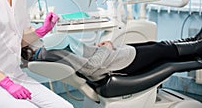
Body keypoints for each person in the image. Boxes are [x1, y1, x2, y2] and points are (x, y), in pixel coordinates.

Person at [22, 28, 202, 82]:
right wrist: (106, 47)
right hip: (120, 63)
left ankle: (195, 42)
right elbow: (91, 68)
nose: (32, 29)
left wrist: (97, 46)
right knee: (162, 50)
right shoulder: (51, 52)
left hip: (117, 58)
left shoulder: (46, 50)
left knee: (159, 47)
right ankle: (197, 45)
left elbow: (82, 54)